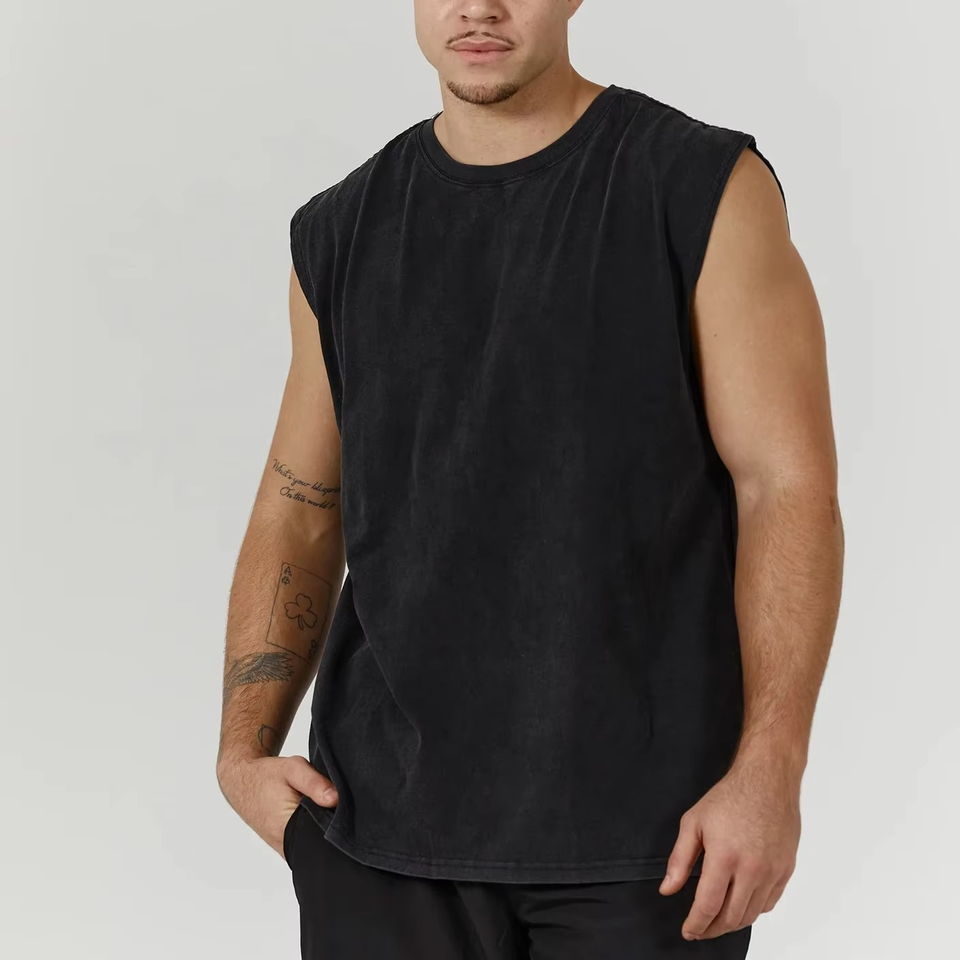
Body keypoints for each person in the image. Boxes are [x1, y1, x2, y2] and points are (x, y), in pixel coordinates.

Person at [216, 2, 844, 957]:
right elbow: (300, 505)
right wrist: (242, 753)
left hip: (651, 842)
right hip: (378, 835)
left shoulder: (697, 186)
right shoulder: (340, 228)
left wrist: (771, 770)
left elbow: (785, 488)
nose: (479, 6)